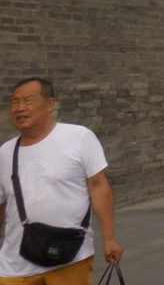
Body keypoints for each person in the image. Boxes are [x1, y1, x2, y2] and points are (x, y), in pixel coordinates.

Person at [0, 78, 123, 284]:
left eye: (28, 101)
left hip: (69, 256)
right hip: (14, 264)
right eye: (14, 102)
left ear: (49, 104)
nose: (20, 108)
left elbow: (99, 186)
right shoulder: (4, 152)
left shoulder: (78, 137)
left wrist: (109, 238)